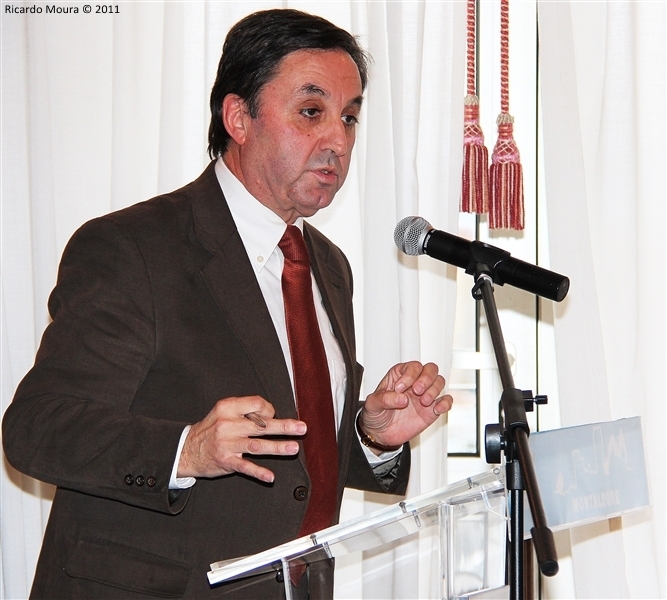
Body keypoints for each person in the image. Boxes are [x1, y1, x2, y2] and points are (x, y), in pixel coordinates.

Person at [2, 9, 453, 599]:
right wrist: (186, 449)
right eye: (311, 112)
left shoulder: (327, 265)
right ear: (238, 117)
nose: (338, 142)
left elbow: (295, 461)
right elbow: (37, 427)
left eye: (349, 117)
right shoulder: (134, 248)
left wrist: (369, 433)